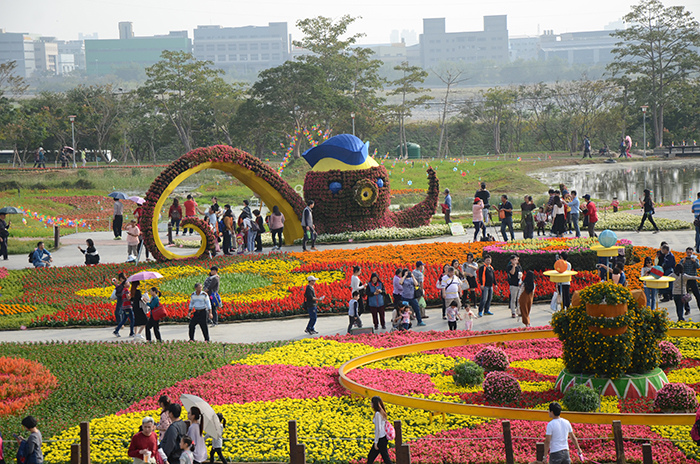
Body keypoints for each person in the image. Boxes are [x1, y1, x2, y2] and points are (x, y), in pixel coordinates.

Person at [366, 396, 391, 464]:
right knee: (384, 458)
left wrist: (376, 442)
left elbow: (378, 429)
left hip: (380, 438)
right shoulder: (382, 412)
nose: (371, 404)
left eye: (371, 402)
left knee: (372, 457)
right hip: (383, 438)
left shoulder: (377, 414)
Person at [681, 248, 700, 315]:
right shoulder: (683, 260)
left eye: (690, 253)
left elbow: (698, 267)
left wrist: (694, 261)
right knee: (685, 295)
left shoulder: (695, 259)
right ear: (686, 253)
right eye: (688, 253)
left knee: (697, 294)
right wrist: (683, 263)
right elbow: (679, 268)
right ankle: (687, 309)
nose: (689, 254)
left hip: (692, 278)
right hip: (686, 279)